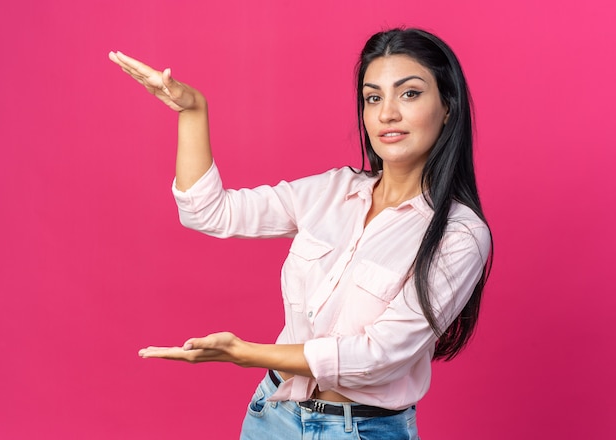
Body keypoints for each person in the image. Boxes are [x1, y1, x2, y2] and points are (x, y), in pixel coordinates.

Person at [109, 27, 492, 440]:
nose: (387, 114)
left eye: (410, 93)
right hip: (272, 417)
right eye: (373, 97)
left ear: (448, 106)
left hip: (361, 430)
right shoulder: (331, 191)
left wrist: (245, 354)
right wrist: (193, 110)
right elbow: (209, 212)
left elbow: (379, 356)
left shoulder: (461, 234)